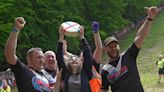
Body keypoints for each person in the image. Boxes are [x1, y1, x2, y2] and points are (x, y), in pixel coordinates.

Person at [100, 6, 158, 92]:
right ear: (105, 49)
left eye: (115, 46)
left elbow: (140, 37)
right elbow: (104, 89)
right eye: (110, 47)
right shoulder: (105, 71)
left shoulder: (128, 55)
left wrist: (149, 19)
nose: (113, 48)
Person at [4, 17, 60, 92]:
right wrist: (16, 29)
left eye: (43, 58)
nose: (42, 60)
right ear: (29, 59)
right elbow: (9, 55)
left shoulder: (45, 76)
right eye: (39, 58)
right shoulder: (23, 71)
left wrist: (59, 78)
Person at [56, 25, 93, 92]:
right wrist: (61, 36)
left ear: (80, 63)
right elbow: (59, 56)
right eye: (71, 59)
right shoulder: (65, 73)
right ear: (68, 63)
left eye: (76, 58)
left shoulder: (86, 72)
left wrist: (82, 37)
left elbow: (87, 53)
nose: (74, 59)